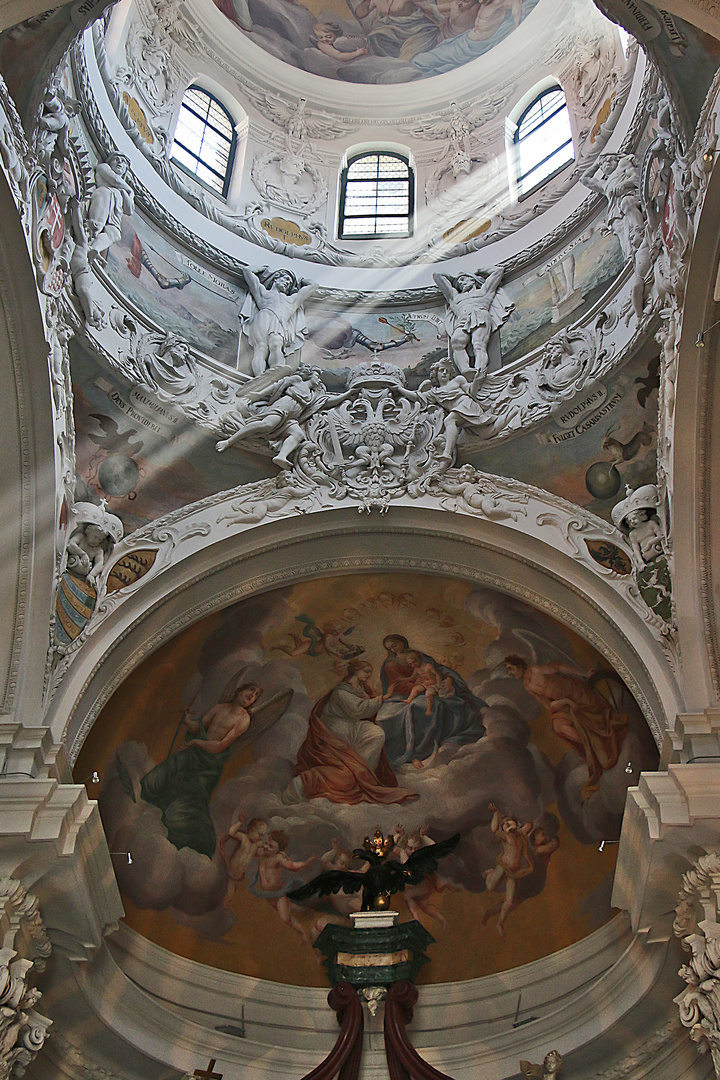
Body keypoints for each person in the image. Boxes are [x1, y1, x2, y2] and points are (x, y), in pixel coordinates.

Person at [136, 684, 263, 858]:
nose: (252, 695)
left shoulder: (243, 719)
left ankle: (189, 840)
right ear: (239, 691)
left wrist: (195, 743)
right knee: (155, 779)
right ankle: (144, 814)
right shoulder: (220, 708)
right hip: (193, 754)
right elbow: (199, 728)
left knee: (189, 801)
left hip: (208, 766)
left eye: (256, 695)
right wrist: (187, 719)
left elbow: (220, 746)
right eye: (251, 690)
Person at [285, 659, 418, 804]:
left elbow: (366, 705)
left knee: (376, 733)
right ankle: (356, 774)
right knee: (344, 773)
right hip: (336, 726)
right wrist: (385, 697)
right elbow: (358, 710)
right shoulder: (341, 691)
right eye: (366, 671)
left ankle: (362, 773)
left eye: (370, 672)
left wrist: (376, 698)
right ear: (356, 671)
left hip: (352, 724)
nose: (369, 675)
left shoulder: (360, 688)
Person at [504, 656, 629, 797]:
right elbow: (547, 704)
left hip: (574, 692)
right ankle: (590, 746)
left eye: (510, 668)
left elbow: (559, 666)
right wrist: (563, 703)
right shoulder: (528, 686)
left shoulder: (536, 670)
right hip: (563, 704)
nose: (510, 673)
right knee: (558, 727)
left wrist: (583, 674)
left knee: (588, 714)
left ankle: (599, 739)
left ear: (519, 665)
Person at [377, 634, 485, 769]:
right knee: (419, 708)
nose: (393, 649)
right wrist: (418, 684)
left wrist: (448, 679)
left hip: (432, 687)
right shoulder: (391, 664)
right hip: (407, 694)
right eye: (389, 648)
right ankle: (416, 753)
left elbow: (437, 670)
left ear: (402, 641)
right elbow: (398, 685)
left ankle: (437, 745)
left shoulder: (416, 655)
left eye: (394, 645)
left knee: (446, 704)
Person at [239, 267, 317, 376]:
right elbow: (247, 271)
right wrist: (262, 269)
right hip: (264, 316)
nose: (287, 284)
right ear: (276, 279)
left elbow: (313, 286)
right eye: (285, 279)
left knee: (276, 345)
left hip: (281, 322)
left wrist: (300, 281)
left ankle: (275, 377)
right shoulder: (263, 292)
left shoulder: (292, 300)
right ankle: (259, 377)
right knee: (261, 347)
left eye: (289, 283)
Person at [248, 832, 317, 944]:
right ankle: (301, 909)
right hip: (268, 894)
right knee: (281, 908)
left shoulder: (278, 858)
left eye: (271, 846)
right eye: (266, 844)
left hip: (279, 893)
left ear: (278, 849)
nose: (267, 847)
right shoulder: (261, 854)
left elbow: (292, 866)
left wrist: (307, 862)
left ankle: (301, 932)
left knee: (284, 918)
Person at [482, 803, 534, 937]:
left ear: (516, 823)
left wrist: (522, 813)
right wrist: (496, 813)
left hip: (514, 873)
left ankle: (500, 923)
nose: (506, 824)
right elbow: (494, 829)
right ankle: (490, 873)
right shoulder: (506, 837)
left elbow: (530, 823)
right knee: (490, 886)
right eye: (504, 824)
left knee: (510, 902)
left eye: (508, 821)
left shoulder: (521, 834)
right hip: (503, 867)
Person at [219, 816, 268, 898]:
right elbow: (231, 832)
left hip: (239, 875)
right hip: (231, 871)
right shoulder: (244, 838)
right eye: (259, 834)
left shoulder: (257, 844)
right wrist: (240, 823)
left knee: (232, 893)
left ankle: (222, 906)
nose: (261, 838)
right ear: (251, 830)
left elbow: (260, 854)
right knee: (228, 893)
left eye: (262, 836)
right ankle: (221, 908)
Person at [397, 651, 454, 715]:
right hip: (424, 685)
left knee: (428, 693)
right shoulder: (416, 669)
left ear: (419, 659)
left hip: (433, 685)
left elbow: (437, 674)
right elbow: (412, 678)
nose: (413, 665)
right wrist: (403, 679)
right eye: (410, 664)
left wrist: (438, 684)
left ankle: (429, 709)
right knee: (415, 688)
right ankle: (409, 699)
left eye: (414, 662)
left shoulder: (428, 666)